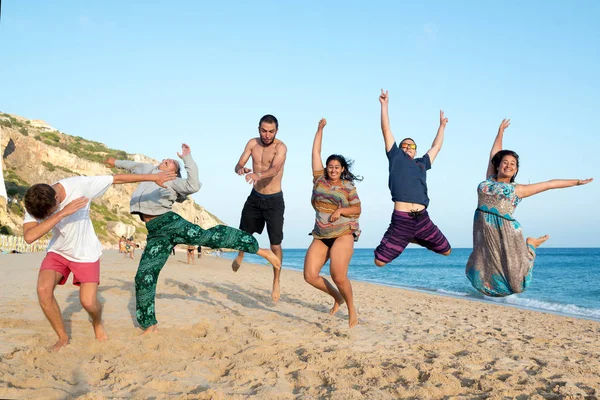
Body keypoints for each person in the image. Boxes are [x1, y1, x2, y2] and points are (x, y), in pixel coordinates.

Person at [106, 143, 281, 335]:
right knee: (144, 275)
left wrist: (186, 159)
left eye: (172, 162)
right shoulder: (148, 170)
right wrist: (114, 162)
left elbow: (194, 185)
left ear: (175, 171)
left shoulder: (173, 181)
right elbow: (130, 166)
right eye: (167, 159)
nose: (168, 160)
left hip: (170, 223)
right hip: (155, 232)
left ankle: (259, 250)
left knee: (209, 237)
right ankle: (150, 325)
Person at [23, 170, 177, 351]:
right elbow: (29, 236)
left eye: (51, 211)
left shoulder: (79, 185)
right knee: (43, 290)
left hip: (85, 253)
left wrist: (154, 177)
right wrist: (61, 214)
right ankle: (63, 337)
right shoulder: (35, 201)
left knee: (88, 302)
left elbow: (116, 179)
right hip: (58, 252)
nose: (49, 215)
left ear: (56, 197)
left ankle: (96, 322)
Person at [466, 119, 593, 296]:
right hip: (485, 231)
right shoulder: (489, 179)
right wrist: (500, 132)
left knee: (517, 286)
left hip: (507, 233)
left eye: (513, 164)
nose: (509, 165)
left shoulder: (518, 190)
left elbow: (550, 184)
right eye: (505, 162)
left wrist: (577, 182)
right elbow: (494, 153)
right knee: (481, 272)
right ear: (498, 164)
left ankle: (531, 245)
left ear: (516, 169)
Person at [374, 89, 451, 266]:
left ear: (416, 150)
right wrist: (384, 105)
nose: (408, 147)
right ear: (400, 148)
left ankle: (413, 238)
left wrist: (441, 127)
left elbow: (436, 147)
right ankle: (406, 237)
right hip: (401, 219)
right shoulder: (395, 156)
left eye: (412, 145)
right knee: (379, 261)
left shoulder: (422, 163)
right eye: (405, 145)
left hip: (423, 218)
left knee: (447, 251)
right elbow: (386, 129)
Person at [303, 119, 362, 328]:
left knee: (338, 274)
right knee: (310, 275)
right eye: (330, 166)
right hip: (321, 234)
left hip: (343, 232)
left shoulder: (348, 187)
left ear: (342, 168)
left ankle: (352, 309)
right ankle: (338, 297)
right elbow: (315, 153)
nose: (333, 169)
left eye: (337, 167)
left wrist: (341, 210)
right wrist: (319, 130)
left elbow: (357, 209)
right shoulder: (319, 180)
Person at [233, 114, 287, 302]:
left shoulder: (280, 147)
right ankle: (240, 255)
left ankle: (276, 280)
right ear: (259, 129)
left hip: (274, 200)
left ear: (276, 131)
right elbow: (239, 163)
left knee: (275, 244)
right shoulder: (252, 143)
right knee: (243, 234)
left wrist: (258, 175)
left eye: (271, 131)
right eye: (264, 130)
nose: (267, 134)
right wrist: (241, 168)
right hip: (255, 198)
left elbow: (275, 170)